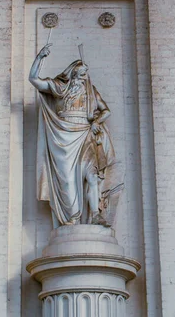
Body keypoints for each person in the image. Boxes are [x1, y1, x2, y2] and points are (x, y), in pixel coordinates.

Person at [29, 43, 115, 227]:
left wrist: (96, 122)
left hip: (85, 134)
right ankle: (72, 218)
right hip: (63, 138)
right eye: (82, 74)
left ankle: (95, 214)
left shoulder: (91, 91)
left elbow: (106, 110)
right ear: (73, 74)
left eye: (86, 75)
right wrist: (39, 58)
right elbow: (34, 80)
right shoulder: (60, 88)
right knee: (66, 182)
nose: (85, 78)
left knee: (92, 176)